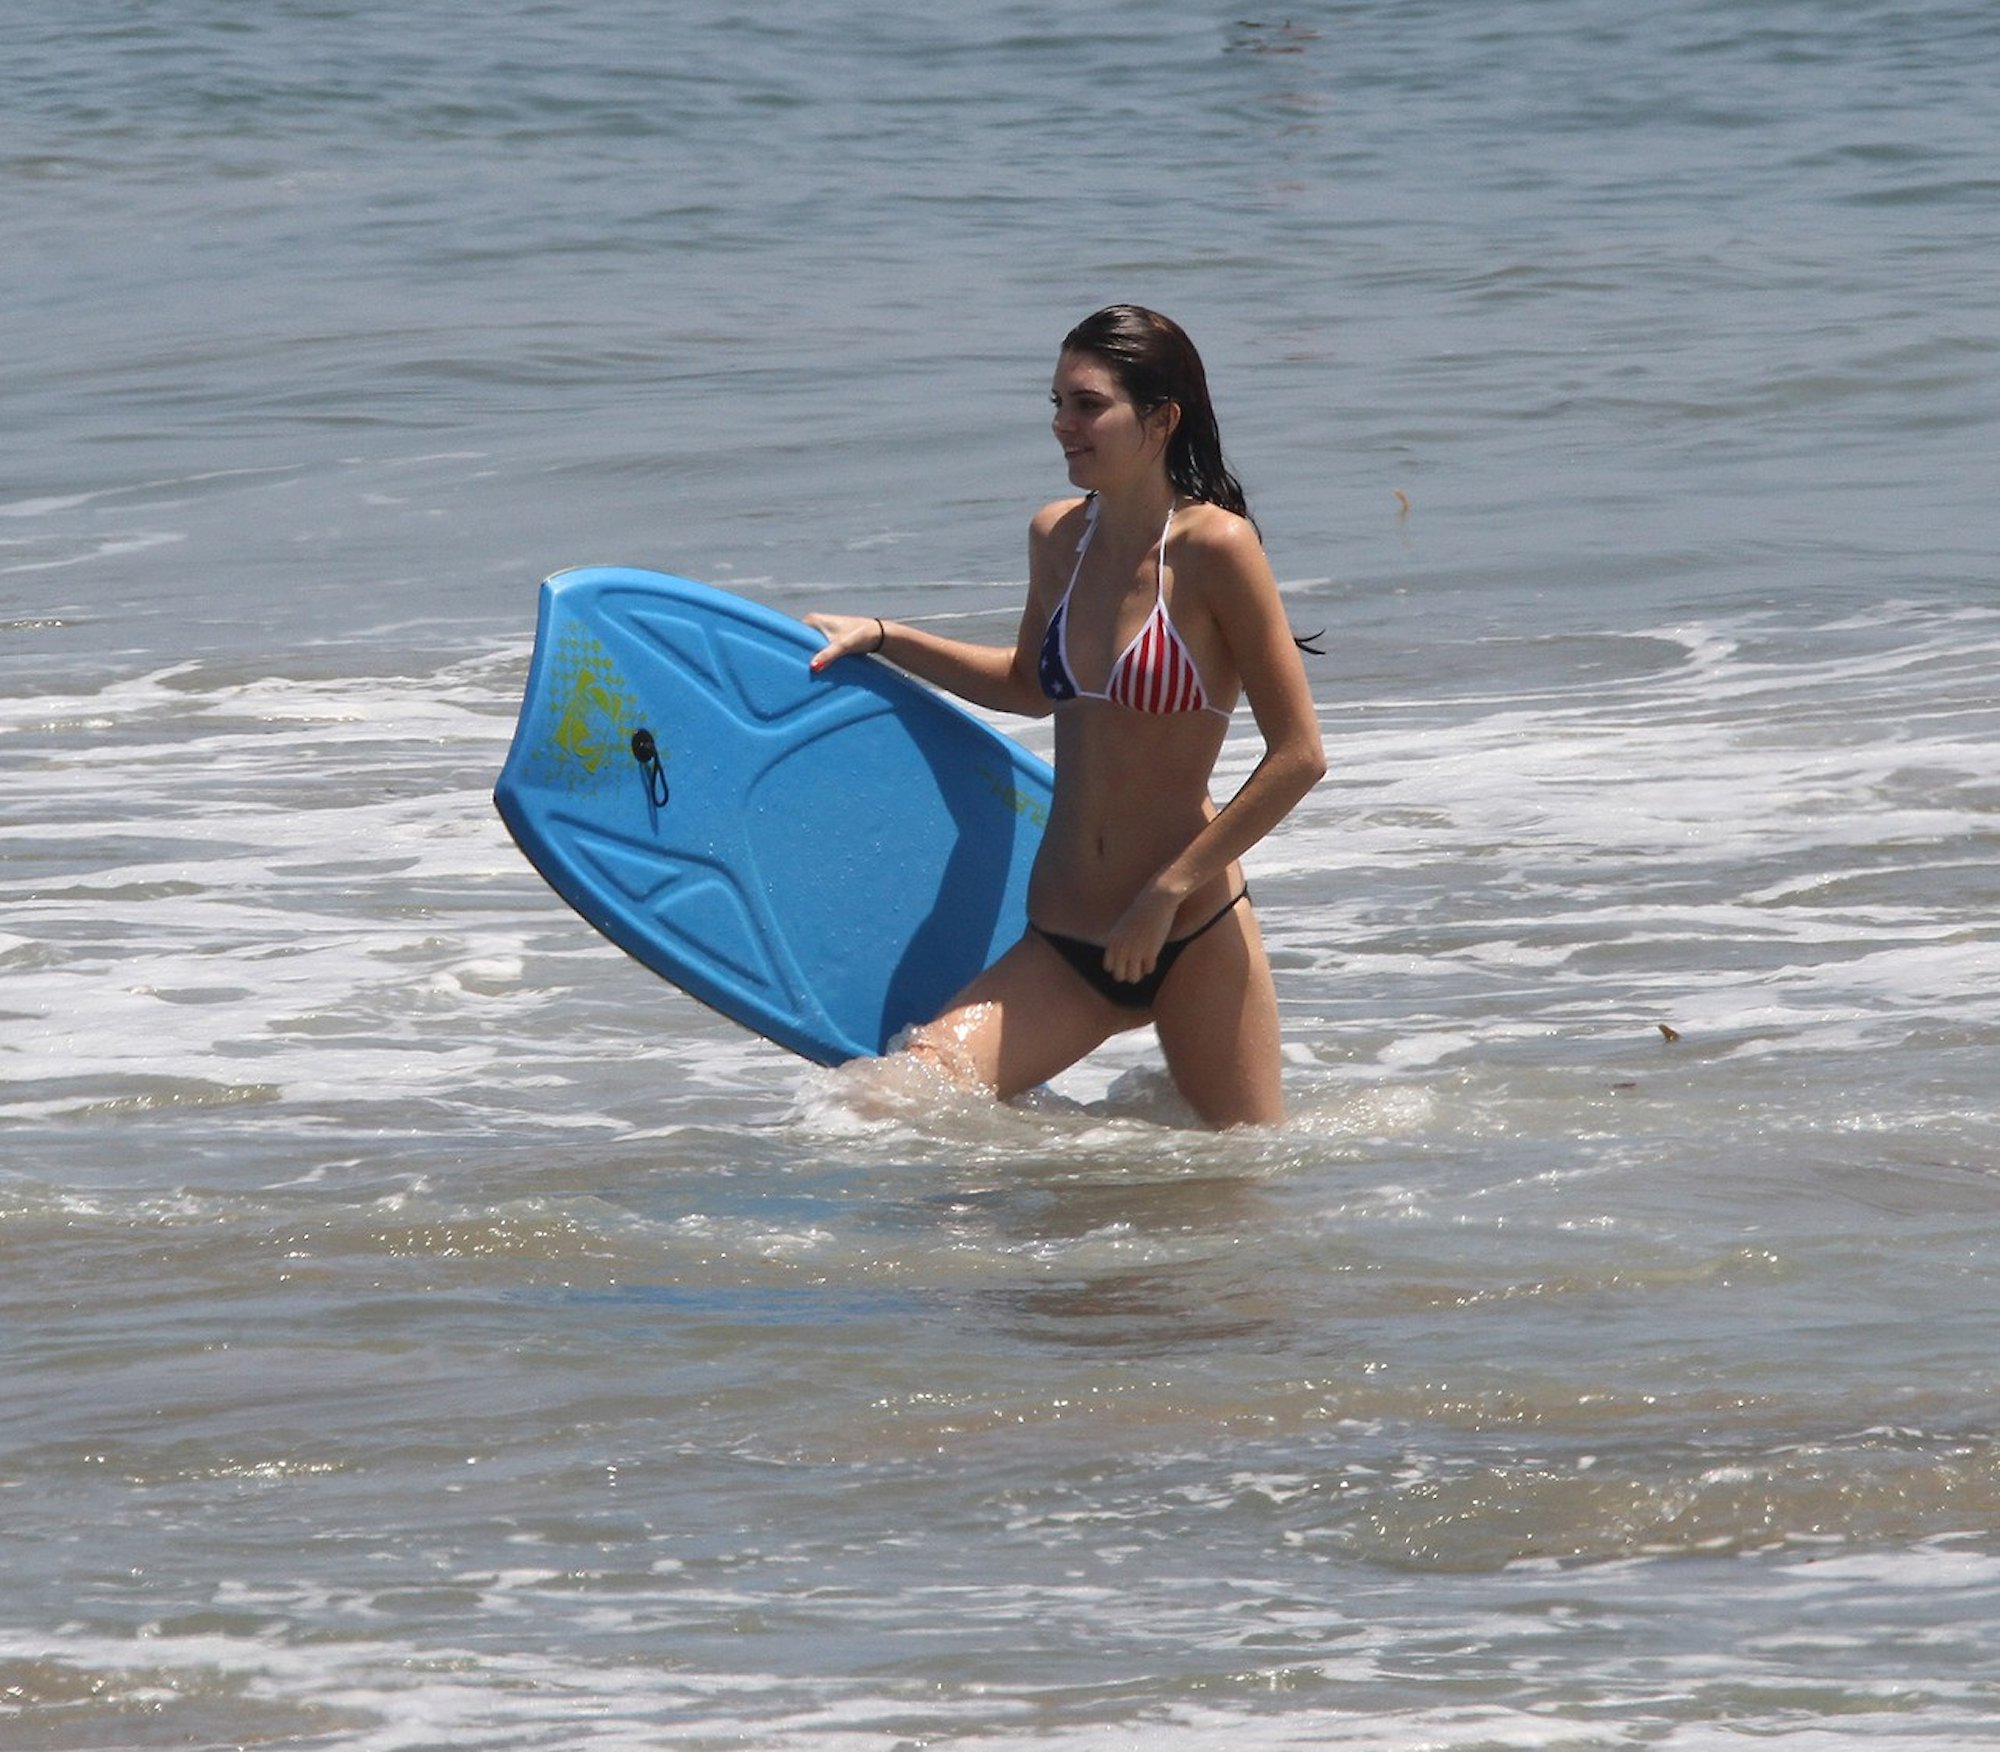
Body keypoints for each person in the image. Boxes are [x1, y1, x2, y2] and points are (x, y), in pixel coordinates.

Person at [807, 306, 1325, 1127]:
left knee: (1238, 1191)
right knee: (884, 1105)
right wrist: (885, 636)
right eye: (1055, 403)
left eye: (1087, 405)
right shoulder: (1057, 537)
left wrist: (1165, 893)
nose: (1062, 426)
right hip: (1065, 937)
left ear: (1160, 419)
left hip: (1188, 931)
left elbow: (1299, 755)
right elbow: (1026, 684)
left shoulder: (1215, 550)